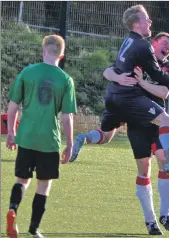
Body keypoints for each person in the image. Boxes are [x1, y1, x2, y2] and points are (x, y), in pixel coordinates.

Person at [69, 32, 169, 235]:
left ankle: (166, 214)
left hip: (156, 122)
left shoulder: (168, 68)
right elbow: (108, 71)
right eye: (165, 42)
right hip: (136, 121)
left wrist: (141, 83)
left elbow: (163, 93)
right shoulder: (139, 56)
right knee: (143, 169)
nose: (168, 47)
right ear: (154, 43)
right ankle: (150, 222)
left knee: (163, 162)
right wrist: (118, 77)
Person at [70, 5, 169, 175]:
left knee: (105, 137)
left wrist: (118, 77)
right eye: (146, 18)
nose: (150, 21)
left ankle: (84, 137)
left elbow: (110, 70)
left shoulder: (128, 41)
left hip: (113, 95)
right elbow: (159, 77)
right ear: (136, 24)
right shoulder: (144, 47)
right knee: (166, 120)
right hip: (129, 98)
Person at [6, 34, 77, 238]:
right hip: (49, 139)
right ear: (61, 55)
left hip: (26, 136)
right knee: (44, 184)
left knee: (22, 179)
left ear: (43, 50)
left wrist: (11, 132)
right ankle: (34, 229)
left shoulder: (28, 72)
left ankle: (13, 209)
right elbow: (67, 117)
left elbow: (12, 107)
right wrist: (70, 144)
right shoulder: (65, 80)